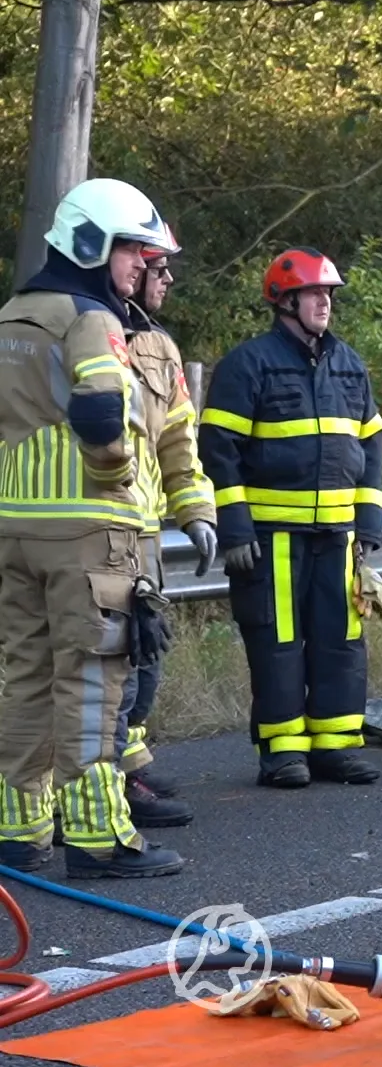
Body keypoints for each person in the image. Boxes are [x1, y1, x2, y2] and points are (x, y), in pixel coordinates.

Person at [0, 178, 189, 878]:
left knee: (24, 677)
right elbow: (103, 411)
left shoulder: (13, 315)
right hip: (89, 530)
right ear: (93, 245)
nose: (140, 268)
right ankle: (97, 838)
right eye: (131, 253)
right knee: (90, 684)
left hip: (16, 527)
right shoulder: (89, 318)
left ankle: (18, 833)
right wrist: (114, 475)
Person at [200, 247, 382, 790]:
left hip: (338, 538)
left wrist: (367, 528)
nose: (324, 303)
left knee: (340, 640)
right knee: (279, 643)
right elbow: (219, 448)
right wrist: (234, 527)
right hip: (271, 539)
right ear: (284, 301)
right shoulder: (248, 364)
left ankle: (335, 746)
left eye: (329, 293)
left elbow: (370, 447)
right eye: (313, 293)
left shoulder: (349, 364)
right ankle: (284, 752)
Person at [117, 221, 217, 828]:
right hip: (97, 531)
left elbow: (179, 440)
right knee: (112, 666)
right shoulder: (80, 334)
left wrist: (196, 512)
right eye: (159, 268)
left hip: (146, 533)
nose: (169, 279)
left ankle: (129, 767)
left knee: (145, 656)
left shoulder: (159, 346)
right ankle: (109, 790)